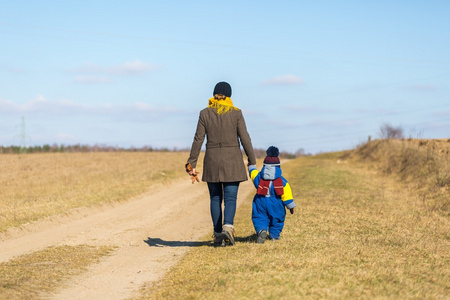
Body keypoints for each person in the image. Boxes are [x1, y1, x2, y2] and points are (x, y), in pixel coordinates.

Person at [186, 81, 256, 247]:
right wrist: (251, 160)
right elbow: (245, 137)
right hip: (232, 159)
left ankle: (218, 234)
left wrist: (191, 163)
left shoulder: (205, 113)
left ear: (214, 93)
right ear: (229, 95)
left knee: (215, 198)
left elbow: (198, 139)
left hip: (212, 160)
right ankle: (228, 227)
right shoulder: (236, 113)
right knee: (230, 198)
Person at [248, 146, 296, 243]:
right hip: (276, 203)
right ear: (278, 167)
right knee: (277, 220)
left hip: (260, 201)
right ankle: (274, 235)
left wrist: (251, 166)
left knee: (260, 217)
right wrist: (290, 206)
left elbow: (253, 173)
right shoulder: (282, 181)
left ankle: (261, 230)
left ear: (264, 166)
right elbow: (286, 194)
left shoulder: (259, 177)